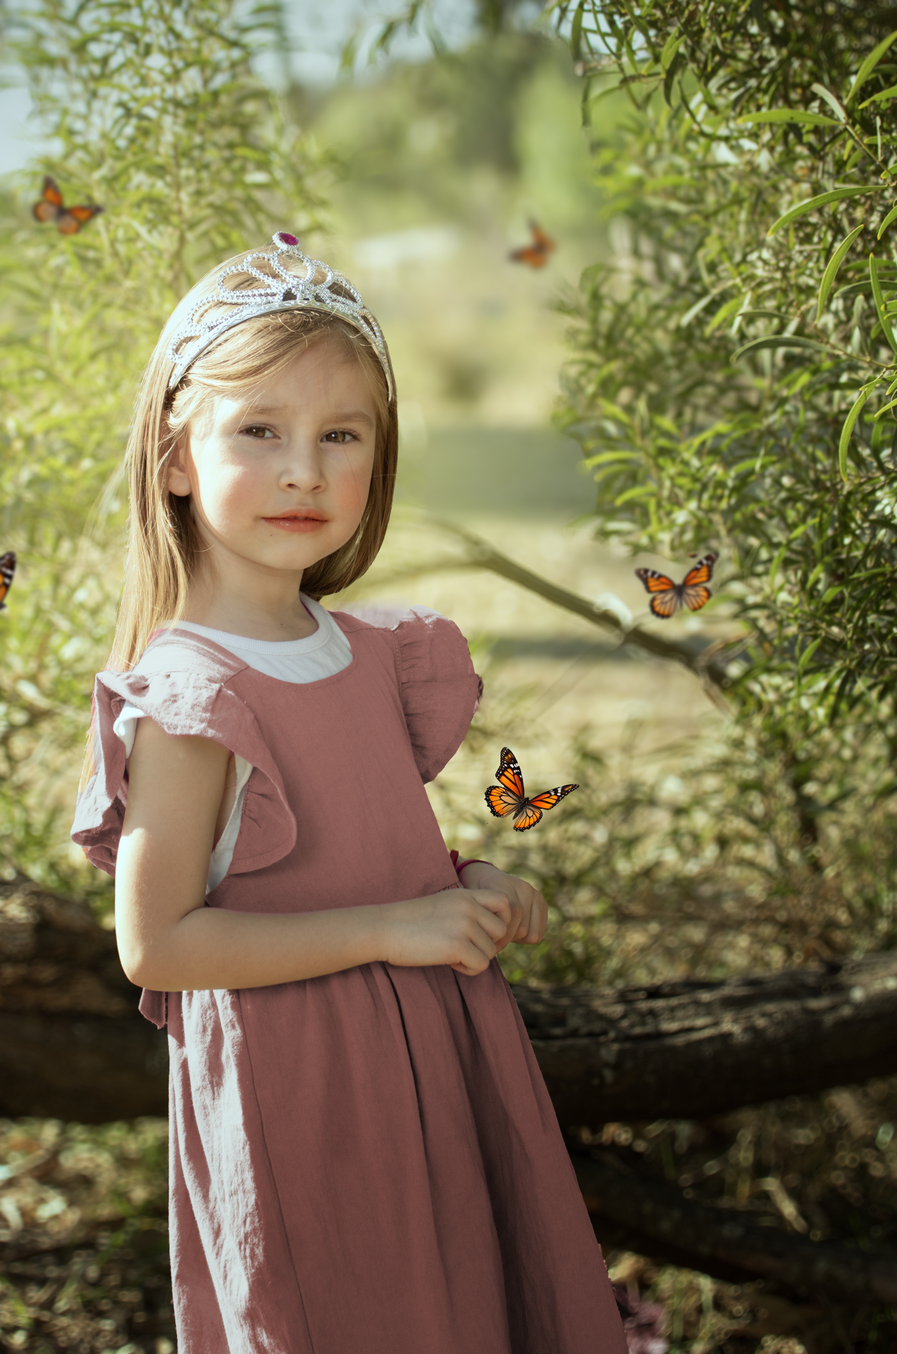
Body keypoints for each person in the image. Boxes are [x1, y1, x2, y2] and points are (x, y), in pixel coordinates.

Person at [72, 233, 627, 1353]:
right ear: (176, 455)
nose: (304, 472)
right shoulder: (194, 695)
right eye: (259, 431)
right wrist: (392, 928)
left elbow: (368, 849)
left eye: (341, 435)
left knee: (462, 1308)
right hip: (309, 1100)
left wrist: (467, 888)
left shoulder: (378, 656)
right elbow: (158, 943)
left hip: (436, 1066)